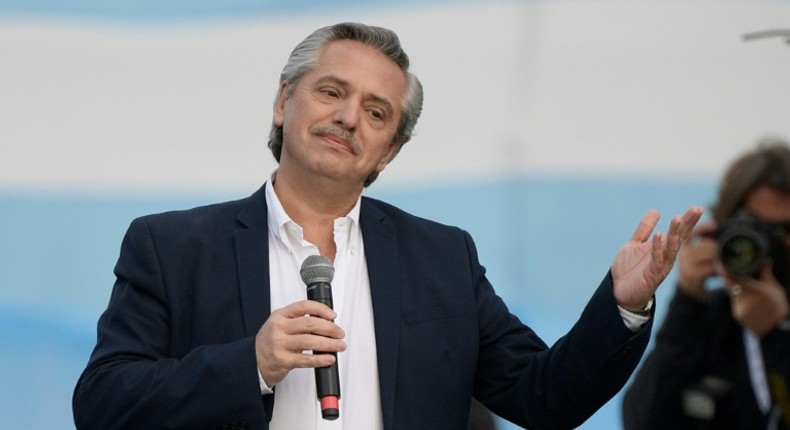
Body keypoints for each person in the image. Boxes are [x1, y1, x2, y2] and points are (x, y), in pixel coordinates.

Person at [72, 22, 702, 430]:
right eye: (330, 92)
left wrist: (625, 303)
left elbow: (544, 397)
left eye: (376, 112)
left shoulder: (442, 257)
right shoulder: (173, 246)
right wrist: (252, 363)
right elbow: (103, 403)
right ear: (283, 101)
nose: (349, 118)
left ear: (390, 150)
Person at [622, 139, 790, 430]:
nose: (771, 245)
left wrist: (777, 336)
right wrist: (687, 299)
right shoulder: (709, 317)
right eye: (756, 228)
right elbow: (643, 421)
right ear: (726, 228)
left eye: (783, 230)